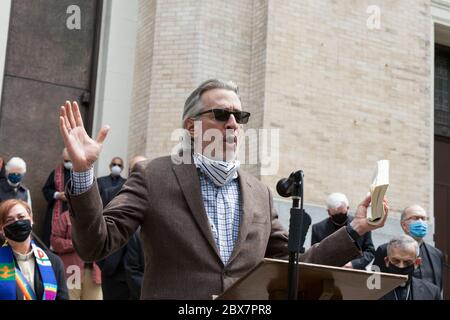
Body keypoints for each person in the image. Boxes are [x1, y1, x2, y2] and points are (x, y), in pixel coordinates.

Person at [58, 79, 389, 299]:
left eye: (239, 115)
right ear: (191, 126)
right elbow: (95, 245)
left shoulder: (260, 193)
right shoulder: (153, 176)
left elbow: (294, 269)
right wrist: (84, 173)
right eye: (221, 114)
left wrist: (357, 228)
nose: (232, 123)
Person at [97, 156, 146, 300]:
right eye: (136, 169)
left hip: (142, 275)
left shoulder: (158, 197)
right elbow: (99, 229)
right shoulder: (110, 194)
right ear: (130, 172)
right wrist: (104, 263)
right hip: (114, 272)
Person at [0, 199, 68, 300]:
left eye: (21, 217)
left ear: (31, 220)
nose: (17, 222)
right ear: (2, 229)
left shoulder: (53, 262)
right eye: (10, 220)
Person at [372, 205, 443, 291]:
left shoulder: (436, 254)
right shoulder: (384, 250)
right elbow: (374, 284)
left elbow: (438, 286)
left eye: (423, 219)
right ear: (404, 225)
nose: (421, 222)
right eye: (416, 218)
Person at [311, 192, 375, 270]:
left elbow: (370, 252)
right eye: (336, 215)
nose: (339, 217)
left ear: (347, 208)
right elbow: (314, 256)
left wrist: (353, 264)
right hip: (328, 273)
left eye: (342, 214)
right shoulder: (318, 229)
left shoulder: (362, 224)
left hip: (355, 273)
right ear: (328, 212)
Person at [379, 234, 441, 300]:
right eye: (396, 261)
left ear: (417, 263)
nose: (401, 266)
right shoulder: (371, 290)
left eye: (407, 262)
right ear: (387, 261)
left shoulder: (431, 292)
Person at [41, 149, 72, 248]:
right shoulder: (56, 173)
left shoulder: (81, 173)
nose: (68, 163)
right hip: (56, 210)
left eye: (70, 161)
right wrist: (57, 195)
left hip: (74, 212)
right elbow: (46, 189)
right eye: (66, 161)